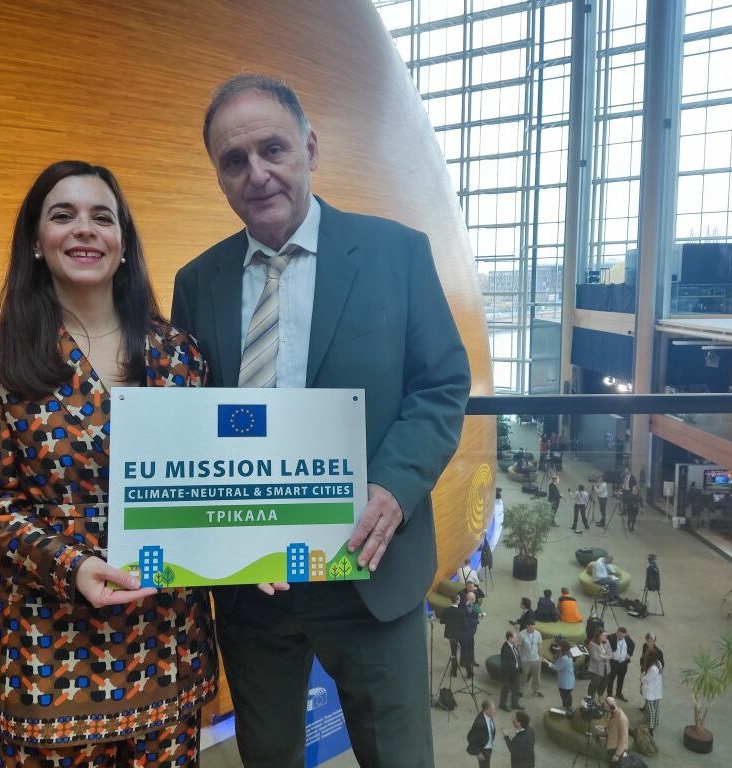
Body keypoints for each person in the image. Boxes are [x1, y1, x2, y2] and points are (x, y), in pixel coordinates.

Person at [171, 74, 471, 768]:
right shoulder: (197, 282)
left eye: (272, 149)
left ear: (309, 147)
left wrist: (392, 489)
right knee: (268, 755)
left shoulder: (397, 253)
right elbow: (192, 417)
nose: (257, 174)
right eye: (234, 161)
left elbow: (441, 384)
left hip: (370, 572)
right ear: (218, 175)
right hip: (253, 589)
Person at [0, 161, 217, 765]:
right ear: (36, 242)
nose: (85, 229)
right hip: (50, 647)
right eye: (62, 215)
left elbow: (211, 484)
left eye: (103, 217)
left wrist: (260, 540)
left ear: (123, 243)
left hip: (166, 640)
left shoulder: (179, 354)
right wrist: (72, 566)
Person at [441, 593, 470, 674]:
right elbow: (465, 625)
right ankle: (469, 671)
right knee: (465, 651)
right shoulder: (461, 612)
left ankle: (454, 671)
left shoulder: (446, 610)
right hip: (461, 634)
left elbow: (442, 621)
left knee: (453, 652)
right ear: (457, 600)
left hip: (451, 634)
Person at [606, 627, 635, 701]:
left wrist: (629, 654)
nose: (621, 637)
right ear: (617, 632)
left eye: (623, 636)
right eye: (620, 635)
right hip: (614, 663)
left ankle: (619, 694)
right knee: (611, 679)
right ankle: (609, 695)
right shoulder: (610, 638)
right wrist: (609, 654)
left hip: (624, 663)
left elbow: (632, 645)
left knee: (621, 679)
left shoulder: (627, 638)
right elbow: (604, 646)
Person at [639, 648, 663, 736]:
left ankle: (650, 729)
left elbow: (646, 679)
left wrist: (641, 677)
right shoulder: (658, 663)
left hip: (650, 692)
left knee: (650, 710)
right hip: (657, 691)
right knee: (655, 708)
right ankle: (654, 722)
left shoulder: (653, 668)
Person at [466, 700, 497, 766]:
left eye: (494, 709)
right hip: (484, 749)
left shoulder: (488, 715)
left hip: (488, 746)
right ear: (485, 710)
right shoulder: (479, 723)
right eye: (492, 710)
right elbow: (471, 737)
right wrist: (477, 753)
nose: (494, 711)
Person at [601, 696, 630, 765]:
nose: (604, 708)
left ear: (611, 707)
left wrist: (617, 754)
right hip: (611, 744)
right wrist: (604, 727)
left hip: (616, 749)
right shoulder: (613, 712)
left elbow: (624, 739)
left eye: (605, 706)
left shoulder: (622, 719)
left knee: (615, 765)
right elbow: (612, 724)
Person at [499, 630, 524, 712]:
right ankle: (502, 705)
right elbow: (507, 664)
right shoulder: (505, 649)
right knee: (505, 689)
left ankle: (514, 704)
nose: (517, 639)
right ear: (510, 638)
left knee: (515, 689)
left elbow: (517, 657)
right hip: (508, 674)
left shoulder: (513, 645)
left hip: (516, 672)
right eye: (515, 637)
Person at [519, 621, 544, 698]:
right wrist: (521, 657)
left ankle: (536, 690)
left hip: (536, 659)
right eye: (531, 628)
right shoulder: (522, 634)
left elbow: (540, 645)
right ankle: (520, 690)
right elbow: (519, 646)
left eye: (534, 627)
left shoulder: (537, 634)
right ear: (527, 626)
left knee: (537, 676)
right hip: (526, 660)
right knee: (523, 676)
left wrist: (540, 656)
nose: (533, 629)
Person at [586, 630, 612, 700]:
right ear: (598, 636)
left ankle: (600, 695)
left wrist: (602, 656)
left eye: (606, 635)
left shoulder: (607, 642)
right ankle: (591, 697)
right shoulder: (593, 644)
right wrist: (605, 656)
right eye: (603, 635)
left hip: (606, 667)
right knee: (594, 683)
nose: (605, 637)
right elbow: (596, 658)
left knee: (604, 683)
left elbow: (610, 654)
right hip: (596, 669)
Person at [554, 640, 576, 711]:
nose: (557, 648)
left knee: (565, 696)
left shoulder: (564, 659)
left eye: (559, 647)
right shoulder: (568, 655)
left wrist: (548, 663)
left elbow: (558, 668)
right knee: (567, 696)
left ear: (562, 648)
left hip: (565, 682)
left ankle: (567, 709)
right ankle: (567, 708)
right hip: (568, 681)